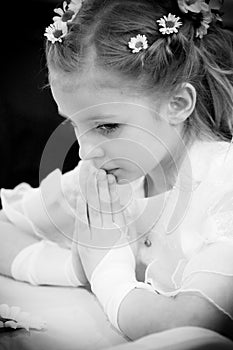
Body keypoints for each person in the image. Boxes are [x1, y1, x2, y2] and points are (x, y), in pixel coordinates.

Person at [1, 0, 233, 342]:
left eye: (107, 126)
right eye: (73, 125)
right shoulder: (107, 176)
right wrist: (77, 266)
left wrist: (106, 269)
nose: (85, 150)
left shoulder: (223, 186)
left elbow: (194, 323)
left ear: (178, 104)